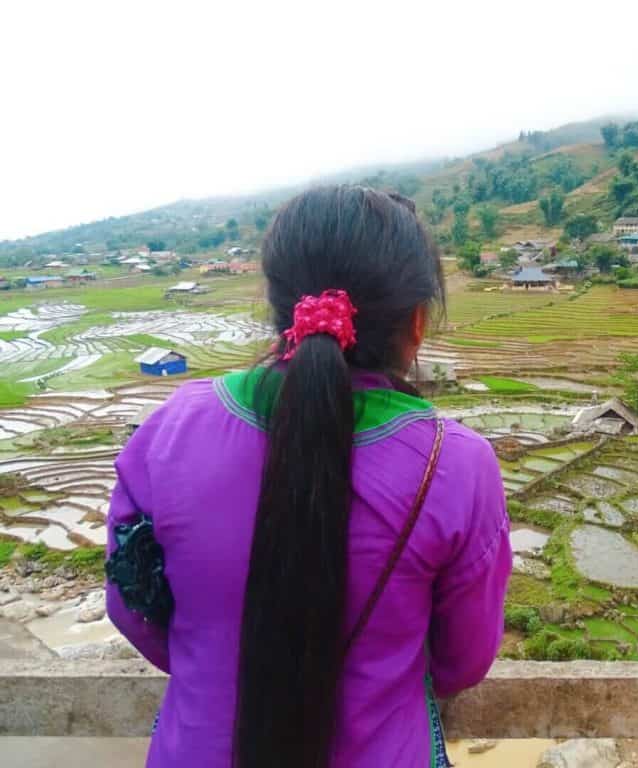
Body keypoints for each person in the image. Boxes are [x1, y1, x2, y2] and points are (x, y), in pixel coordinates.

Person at [106, 186, 512, 768]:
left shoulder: (170, 431)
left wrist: (216, 663)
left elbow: (136, 613)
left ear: (281, 312)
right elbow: (462, 663)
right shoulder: (456, 464)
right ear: (417, 322)